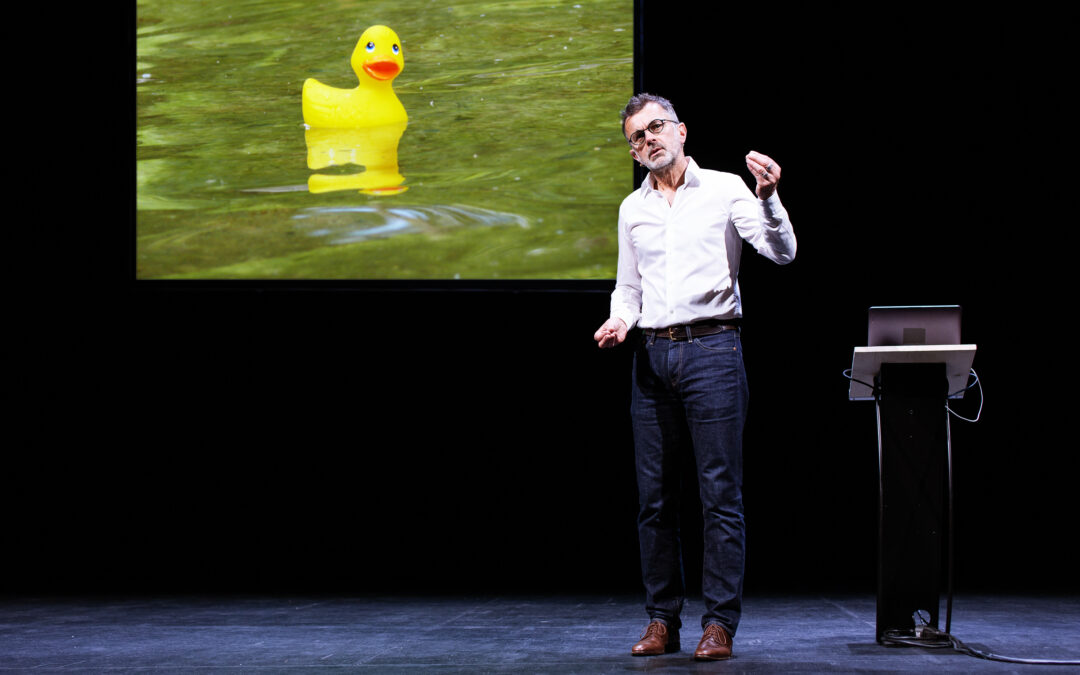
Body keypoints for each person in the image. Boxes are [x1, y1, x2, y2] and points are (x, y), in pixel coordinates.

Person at [594, 93, 796, 661]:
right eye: (637, 136)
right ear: (633, 151)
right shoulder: (631, 208)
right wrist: (618, 320)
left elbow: (781, 253)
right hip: (652, 357)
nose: (648, 140)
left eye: (656, 127)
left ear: (681, 131)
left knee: (719, 496)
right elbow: (628, 288)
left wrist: (770, 198)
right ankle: (663, 620)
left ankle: (719, 624)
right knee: (654, 501)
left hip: (713, 351)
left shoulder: (729, 188)